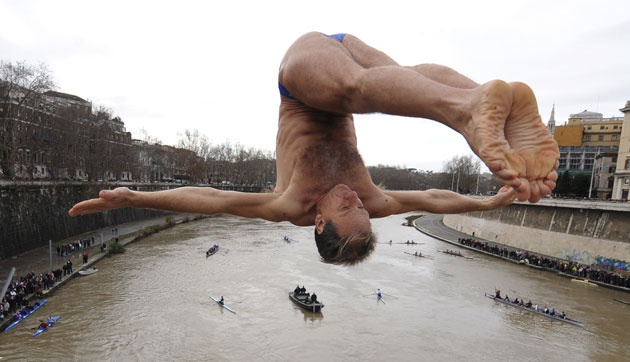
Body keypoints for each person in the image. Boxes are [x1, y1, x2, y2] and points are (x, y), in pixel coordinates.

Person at [68, 32, 558, 265]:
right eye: (363, 204)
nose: (356, 196)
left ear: (319, 221)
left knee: (361, 90)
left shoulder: (288, 206)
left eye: (348, 205)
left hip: (304, 77)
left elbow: (212, 200)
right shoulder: (370, 203)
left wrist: (136, 198)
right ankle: (492, 108)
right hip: (353, 63)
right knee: (395, 81)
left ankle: (470, 108)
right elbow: (432, 198)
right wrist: (488, 202)